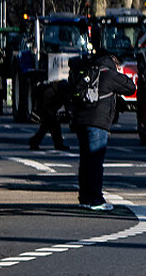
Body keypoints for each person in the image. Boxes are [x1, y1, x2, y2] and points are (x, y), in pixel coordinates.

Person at [68, 52, 134, 210]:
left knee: (85, 162)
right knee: (96, 162)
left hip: (81, 122)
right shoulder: (109, 74)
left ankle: (84, 197)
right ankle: (97, 200)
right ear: (113, 60)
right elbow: (131, 88)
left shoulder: (88, 71)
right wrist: (118, 73)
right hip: (97, 123)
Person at [28, 79, 70, 151]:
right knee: (49, 126)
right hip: (45, 109)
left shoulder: (61, 91)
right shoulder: (51, 92)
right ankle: (34, 142)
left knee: (51, 127)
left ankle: (57, 143)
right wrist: (51, 113)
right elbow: (45, 104)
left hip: (49, 109)